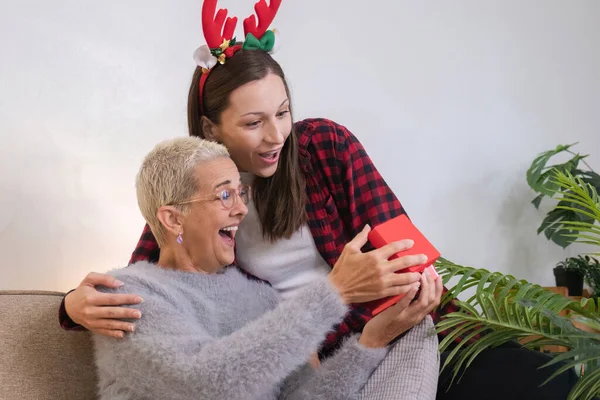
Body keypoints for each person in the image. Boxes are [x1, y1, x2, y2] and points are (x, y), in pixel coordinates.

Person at [60, 0, 577, 398]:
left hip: (399, 328)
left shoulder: (323, 147)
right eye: (253, 122)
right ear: (210, 127)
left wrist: (408, 289)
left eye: (282, 113)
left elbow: (404, 251)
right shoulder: (196, 193)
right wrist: (70, 307)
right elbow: (149, 278)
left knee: (551, 384)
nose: (275, 136)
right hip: (318, 362)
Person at [93, 135, 441, 399]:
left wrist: (372, 341)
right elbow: (207, 383)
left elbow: (307, 396)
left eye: (240, 192)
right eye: (224, 195)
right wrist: (335, 292)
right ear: (173, 218)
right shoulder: (125, 294)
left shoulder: (262, 299)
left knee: (417, 336)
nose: (242, 210)